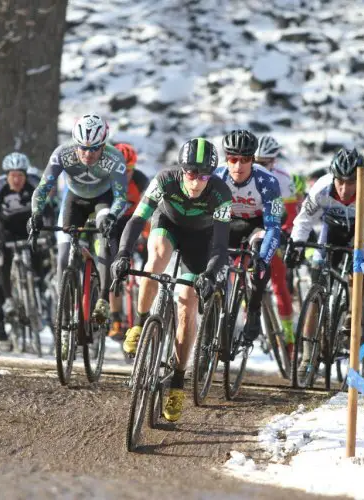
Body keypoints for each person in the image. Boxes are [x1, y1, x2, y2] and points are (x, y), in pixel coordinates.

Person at [111, 138, 232, 422]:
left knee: (187, 304)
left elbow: (221, 246)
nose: (196, 181)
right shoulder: (164, 180)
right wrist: (123, 254)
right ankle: (140, 325)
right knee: (155, 262)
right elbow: (137, 219)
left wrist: (210, 275)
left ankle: (177, 383)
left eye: (204, 175)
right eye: (191, 173)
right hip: (167, 225)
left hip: (200, 241)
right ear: (181, 170)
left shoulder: (221, 193)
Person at [286, 148, 364, 376]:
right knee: (315, 289)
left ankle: (352, 314)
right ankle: (307, 356)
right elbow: (303, 221)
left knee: (358, 270)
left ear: (360, 179)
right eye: (340, 182)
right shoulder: (322, 187)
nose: (344, 188)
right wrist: (297, 245)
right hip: (331, 231)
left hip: (360, 235)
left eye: (350, 182)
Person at [27, 114, 128, 325]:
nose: (87, 154)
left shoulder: (115, 158)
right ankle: (63, 315)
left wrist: (111, 216)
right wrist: (36, 213)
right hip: (74, 201)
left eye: (94, 149)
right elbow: (42, 189)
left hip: (103, 201)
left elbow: (121, 198)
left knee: (104, 239)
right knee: (63, 258)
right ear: (75, 143)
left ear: (103, 145)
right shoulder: (63, 154)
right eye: (82, 148)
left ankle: (102, 300)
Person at [212, 130, 282, 348]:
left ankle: (253, 308)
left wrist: (262, 258)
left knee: (259, 261)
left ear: (253, 159)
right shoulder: (216, 178)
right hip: (228, 222)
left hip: (257, 225)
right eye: (233, 159)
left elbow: (274, 227)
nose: (238, 166)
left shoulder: (269, 181)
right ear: (226, 159)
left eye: (245, 160)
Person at [0, 152, 47, 349]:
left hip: (28, 232)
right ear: (7, 176)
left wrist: (48, 232)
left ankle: (38, 291)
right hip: (7, 234)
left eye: (20, 175)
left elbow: (49, 209)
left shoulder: (33, 185)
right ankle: (7, 305)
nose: (17, 180)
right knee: (3, 264)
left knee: (41, 259)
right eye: (13, 175)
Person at [254, 135, 298, 352]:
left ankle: (288, 336)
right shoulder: (244, 173)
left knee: (279, 283)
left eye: (264, 163)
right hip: (252, 227)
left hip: (275, 228)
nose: (258, 166)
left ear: (273, 161)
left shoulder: (282, 178)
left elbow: (290, 215)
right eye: (256, 161)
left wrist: (284, 235)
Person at [107, 142, 150, 341]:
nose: (126, 175)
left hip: (134, 223)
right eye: (122, 170)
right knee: (114, 268)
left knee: (150, 264)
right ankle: (116, 319)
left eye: (129, 170)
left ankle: (144, 314)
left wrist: (147, 236)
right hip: (113, 225)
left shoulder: (140, 181)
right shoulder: (106, 181)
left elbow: (150, 211)